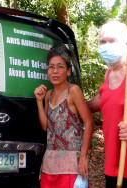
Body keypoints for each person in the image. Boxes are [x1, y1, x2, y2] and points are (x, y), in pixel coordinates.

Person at [86, 20, 127, 187]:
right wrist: (72, 104)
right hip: (113, 168)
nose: (106, 45)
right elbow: (103, 100)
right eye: (103, 42)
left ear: (126, 43)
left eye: (112, 41)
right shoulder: (109, 74)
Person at [33, 45, 94, 188]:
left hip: (71, 165)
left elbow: (89, 123)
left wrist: (83, 158)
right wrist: (38, 101)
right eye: (51, 67)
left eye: (60, 67)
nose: (54, 71)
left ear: (68, 71)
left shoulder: (73, 91)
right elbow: (45, 127)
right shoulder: (49, 95)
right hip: (50, 164)